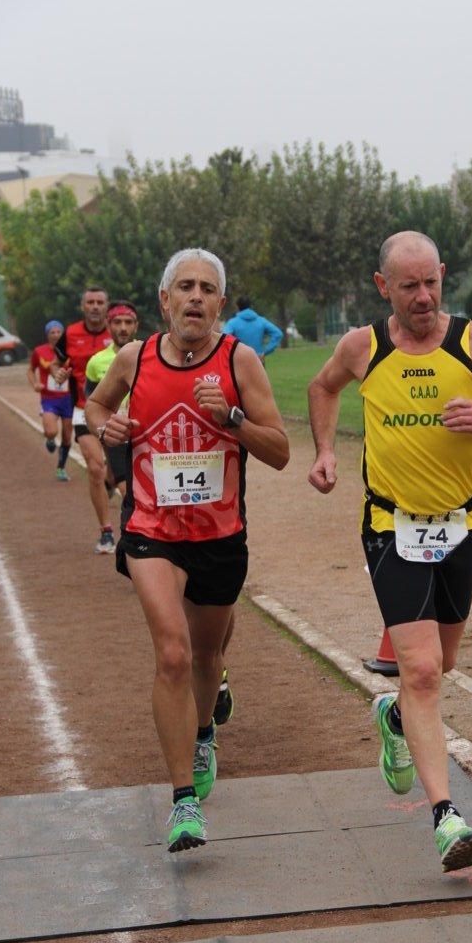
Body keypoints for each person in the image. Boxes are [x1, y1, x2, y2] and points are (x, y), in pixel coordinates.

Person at [307, 230, 472, 872]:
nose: (423, 297)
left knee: (442, 665)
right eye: (409, 286)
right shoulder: (363, 347)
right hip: (390, 525)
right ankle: (447, 817)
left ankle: (394, 717)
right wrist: (327, 451)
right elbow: (322, 387)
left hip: (460, 523)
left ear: (443, 274)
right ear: (382, 286)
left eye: (431, 283)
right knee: (420, 671)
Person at [85, 248, 289, 852]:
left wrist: (231, 417)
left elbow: (279, 451)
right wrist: (104, 427)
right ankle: (182, 801)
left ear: (220, 303)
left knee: (205, 655)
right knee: (172, 653)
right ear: (164, 300)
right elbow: (96, 404)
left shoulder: (240, 360)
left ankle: (204, 733)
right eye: (184, 287)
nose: (195, 297)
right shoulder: (134, 357)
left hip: (219, 536)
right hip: (151, 528)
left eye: (206, 288)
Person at [51, 286, 115, 553]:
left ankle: (110, 484)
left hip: (117, 412)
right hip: (82, 409)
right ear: (83, 306)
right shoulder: (71, 334)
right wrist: (58, 373)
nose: (95, 306)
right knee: (95, 468)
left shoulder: (118, 331)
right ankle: (106, 533)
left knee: (115, 472)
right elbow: (56, 363)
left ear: (107, 306)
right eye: (90, 302)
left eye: (100, 302)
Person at [85, 301, 139, 499]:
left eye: (128, 322)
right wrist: (102, 428)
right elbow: (92, 401)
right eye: (117, 322)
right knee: (126, 490)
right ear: (108, 325)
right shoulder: (96, 362)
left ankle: (109, 479)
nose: (123, 328)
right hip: (116, 430)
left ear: (136, 325)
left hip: (143, 431)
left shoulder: (149, 353)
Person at [27, 320, 73, 481]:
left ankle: (61, 468)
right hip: (49, 398)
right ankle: (50, 438)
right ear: (47, 335)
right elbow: (31, 369)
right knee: (51, 431)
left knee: (67, 437)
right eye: (52, 332)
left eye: (58, 332)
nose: (56, 335)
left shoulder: (70, 350)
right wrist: (35, 384)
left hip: (68, 399)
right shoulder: (39, 351)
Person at [222, 295, 283, 360]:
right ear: (251, 306)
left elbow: (224, 337)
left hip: (238, 360)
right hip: (258, 360)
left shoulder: (232, 323)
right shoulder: (261, 321)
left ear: (237, 307)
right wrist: (266, 351)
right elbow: (278, 334)